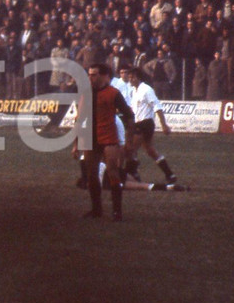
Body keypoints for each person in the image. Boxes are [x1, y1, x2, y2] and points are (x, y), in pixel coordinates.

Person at [72, 63, 135, 221]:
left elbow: (129, 116)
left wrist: (129, 141)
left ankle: (117, 212)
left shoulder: (113, 93)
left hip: (108, 138)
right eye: (89, 74)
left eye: (93, 75)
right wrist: (75, 144)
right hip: (90, 137)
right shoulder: (85, 93)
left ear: (103, 76)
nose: (90, 78)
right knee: (91, 175)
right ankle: (96, 210)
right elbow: (79, 119)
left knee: (113, 172)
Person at [125, 66, 178, 185]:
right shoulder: (133, 90)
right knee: (150, 150)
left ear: (138, 77)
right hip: (138, 123)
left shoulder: (147, 90)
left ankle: (132, 175)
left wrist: (164, 125)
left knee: (131, 149)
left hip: (145, 123)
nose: (130, 79)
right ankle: (170, 174)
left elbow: (157, 107)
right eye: (129, 77)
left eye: (132, 77)